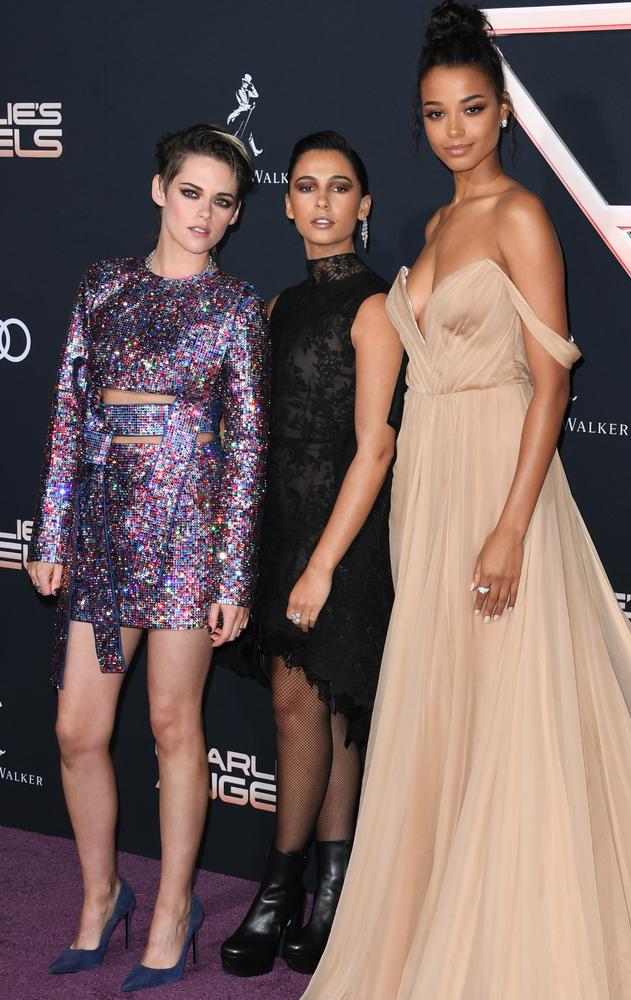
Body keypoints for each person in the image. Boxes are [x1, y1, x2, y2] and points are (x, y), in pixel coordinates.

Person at [301, 5, 631, 998]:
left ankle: (517, 942)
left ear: (502, 114)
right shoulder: (434, 225)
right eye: (434, 113)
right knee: (443, 705)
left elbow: (549, 383)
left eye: (470, 108)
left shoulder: (519, 217)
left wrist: (508, 524)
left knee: (511, 707)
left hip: (500, 480)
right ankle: (437, 908)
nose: (453, 129)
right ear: (420, 123)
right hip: (429, 485)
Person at [26, 123, 269, 992]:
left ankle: (173, 908)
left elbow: (245, 450)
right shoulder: (103, 288)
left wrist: (233, 574)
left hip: (189, 539)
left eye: (224, 200)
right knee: (76, 730)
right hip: (99, 528)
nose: (205, 212)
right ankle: (101, 896)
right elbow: (68, 414)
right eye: (192, 191)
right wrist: (51, 531)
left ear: (237, 214)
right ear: (159, 189)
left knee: (174, 727)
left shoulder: (239, 309)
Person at [218, 130, 404, 977]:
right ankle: (333, 889)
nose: (322, 202)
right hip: (280, 527)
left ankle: (277, 888)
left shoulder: (376, 305)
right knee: (324, 712)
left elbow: (375, 446)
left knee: (304, 707)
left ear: (363, 206)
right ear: (285, 201)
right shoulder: (276, 307)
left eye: (340, 188)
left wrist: (324, 563)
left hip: (347, 536)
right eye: (305, 187)